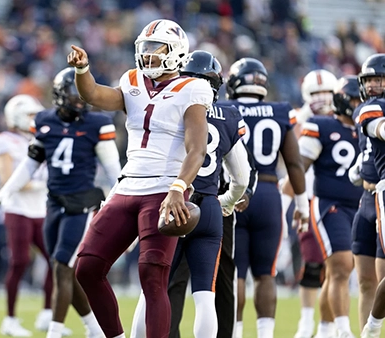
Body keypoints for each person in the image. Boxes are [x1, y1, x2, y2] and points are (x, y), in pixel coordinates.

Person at [68, 19, 213, 338]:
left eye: (154, 49)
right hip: (127, 186)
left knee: (152, 273)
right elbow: (94, 95)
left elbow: (196, 149)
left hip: (164, 189)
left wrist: (179, 188)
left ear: (176, 52)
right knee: (88, 268)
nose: (146, 56)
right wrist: (83, 71)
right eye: (144, 49)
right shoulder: (132, 80)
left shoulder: (193, 89)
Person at [128, 50, 254, 338]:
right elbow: (242, 176)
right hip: (209, 206)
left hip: (173, 203)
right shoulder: (229, 115)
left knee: (152, 289)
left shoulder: (169, 106)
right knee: (204, 295)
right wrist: (228, 202)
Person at [0, 67, 119, 338]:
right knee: (66, 271)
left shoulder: (97, 124)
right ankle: (94, 328)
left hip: (81, 204)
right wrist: (7, 190)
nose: (80, 102)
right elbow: (31, 160)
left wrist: (117, 202)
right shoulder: (46, 121)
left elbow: (113, 170)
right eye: (75, 96)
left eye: (83, 96)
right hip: (53, 204)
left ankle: (54, 331)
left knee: (61, 265)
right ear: (61, 96)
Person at [223, 57, 309, 338]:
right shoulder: (280, 110)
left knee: (234, 274)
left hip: (233, 194)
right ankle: (265, 334)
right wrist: (300, 204)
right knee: (266, 273)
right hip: (269, 194)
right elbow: (294, 164)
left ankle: (234, 332)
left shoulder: (224, 108)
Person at [285, 73, 363, 338]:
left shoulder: (367, 127)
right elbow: (295, 162)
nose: (356, 104)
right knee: (332, 265)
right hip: (323, 203)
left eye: (359, 98)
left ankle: (326, 328)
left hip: (361, 205)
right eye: (351, 99)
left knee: (338, 272)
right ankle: (336, 329)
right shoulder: (314, 123)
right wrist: (294, 200)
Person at [0, 94, 56, 336]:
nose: (34, 119)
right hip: (18, 209)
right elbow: (7, 180)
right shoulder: (4, 140)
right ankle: (10, 319)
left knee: (55, 259)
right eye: (30, 115)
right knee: (19, 261)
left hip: (41, 209)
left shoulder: (43, 138)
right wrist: (42, 184)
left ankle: (48, 313)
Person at [285, 69, 339, 338]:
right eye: (315, 93)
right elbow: (285, 153)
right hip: (306, 197)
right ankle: (306, 323)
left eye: (325, 93)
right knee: (312, 262)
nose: (321, 98)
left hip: (334, 198)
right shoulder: (299, 119)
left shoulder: (342, 119)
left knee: (335, 265)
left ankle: (327, 326)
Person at [347, 72, 385, 335]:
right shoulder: (368, 108)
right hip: (368, 199)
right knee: (365, 282)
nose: (373, 84)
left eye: (380, 79)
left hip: (381, 194)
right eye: (369, 79)